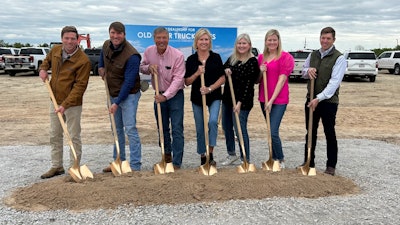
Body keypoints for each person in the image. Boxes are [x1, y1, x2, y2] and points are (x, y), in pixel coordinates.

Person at [39, 26, 91, 179]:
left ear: (77, 40)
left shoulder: (83, 61)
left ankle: (73, 167)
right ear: (62, 38)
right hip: (54, 100)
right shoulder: (55, 50)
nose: (69, 41)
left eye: (73, 39)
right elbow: (46, 61)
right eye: (66, 38)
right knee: (55, 134)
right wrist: (43, 69)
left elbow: (80, 86)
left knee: (73, 136)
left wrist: (65, 105)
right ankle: (57, 166)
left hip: (72, 104)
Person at [300, 27, 346, 176]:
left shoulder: (339, 58)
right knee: (310, 132)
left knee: (329, 132)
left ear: (333, 40)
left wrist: (318, 98)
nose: (325, 41)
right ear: (319, 38)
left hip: (328, 102)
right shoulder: (313, 54)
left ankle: (331, 165)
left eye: (328, 39)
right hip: (310, 99)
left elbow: (334, 83)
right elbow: (303, 71)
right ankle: (309, 162)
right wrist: (308, 71)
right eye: (323, 38)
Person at [99, 21, 142, 172]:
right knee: (116, 130)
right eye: (113, 33)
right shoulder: (106, 44)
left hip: (129, 95)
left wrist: (116, 102)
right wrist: (100, 67)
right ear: (109, 33)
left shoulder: (132, 55)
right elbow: (102, 56)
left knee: (130, 128)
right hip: (112, 93)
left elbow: (129, 83)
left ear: (124, 35)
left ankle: (135, 165)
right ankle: (118, 161)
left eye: (119, 33)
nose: (115, 36)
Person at [140, 27, 185, 169]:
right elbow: (142, 67)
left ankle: (177, 162)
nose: (161, 41)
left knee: (177, 128)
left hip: (175, 95)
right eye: (158, 38)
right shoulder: (148, 51)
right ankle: (166, 156)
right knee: (162, 127)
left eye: (164, 38)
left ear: (168, 38)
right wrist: (148, 68)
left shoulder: (177, 55)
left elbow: (178, 79)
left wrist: (165, 96)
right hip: (158, 94)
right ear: (154, 39)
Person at [184, 28, 225, 166]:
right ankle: (202, 155)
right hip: (197, 97)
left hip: (214, 95)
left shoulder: (216, 57)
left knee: (213, 121)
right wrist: (197, 73)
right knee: (200, 126)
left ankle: (210, 153)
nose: (204, 42)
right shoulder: (191, 59)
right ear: (196, 42)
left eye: (206, 39)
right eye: (201, 39)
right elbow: (186, 82)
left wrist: (209, 88)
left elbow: (222, 78)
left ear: (210, 42)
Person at [220, 33, 260, 166]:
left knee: (240, 129)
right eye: (239, 43)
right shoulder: (232, 58)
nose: (241, 46)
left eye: (244, 43)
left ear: (249, 45)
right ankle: (231, 154)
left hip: (243, 101)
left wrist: (239, 103)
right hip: (227, 99)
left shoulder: (252, 61)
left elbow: (249, 84)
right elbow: (223, 68)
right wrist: (226, 70)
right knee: (226, 127)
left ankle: (245, 158)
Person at [257, 29, 294, 169]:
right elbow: (258, 80)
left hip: (278, 100)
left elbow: (282, 79)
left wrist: (271, 100)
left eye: (274, 40)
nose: (272, 42)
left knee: (273, 130)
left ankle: (280, 158)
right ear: (265, 42)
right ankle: (272, 157)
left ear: (278, 41)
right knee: (269, 130)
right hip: (263, 98)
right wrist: (261, 72)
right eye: (269, 40)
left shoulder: (286, 57)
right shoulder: (261, 58)